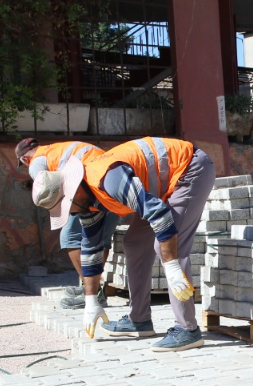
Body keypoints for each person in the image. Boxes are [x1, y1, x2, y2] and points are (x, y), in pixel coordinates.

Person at [30, 137, 214, 352]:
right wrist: (91, 300)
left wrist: (172, 266)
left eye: (66, 206)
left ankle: (188, 330)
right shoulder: (88, 203)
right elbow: (91, 248)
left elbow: (158, 214)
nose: (69, 212)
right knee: (135, 243)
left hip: (189, 168)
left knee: (171, 247)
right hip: (161, 186)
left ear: (73, 192)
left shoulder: (108, 178)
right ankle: (140, 320)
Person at [16, 138, 106, 311]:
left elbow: (47, 189)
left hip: (87, 191)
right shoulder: (55, 149)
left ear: (25, 159)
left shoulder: (36, 163)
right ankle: (95, 289)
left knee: (70, 237)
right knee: (102, 237)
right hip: (108, 180)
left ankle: (93, 291)